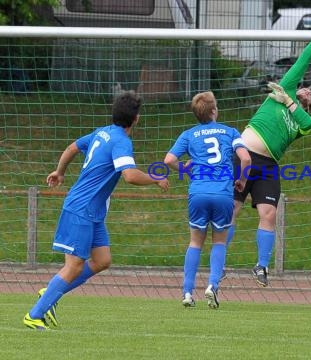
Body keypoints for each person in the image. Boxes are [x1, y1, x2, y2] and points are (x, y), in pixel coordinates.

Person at [23, 90, 170, 330]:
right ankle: (35, 314)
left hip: (92, 211)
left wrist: (60, 171)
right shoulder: (121, 141)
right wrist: (155, 178)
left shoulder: (102, 132)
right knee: (74, 266)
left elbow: (72, 148)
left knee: (102, 260)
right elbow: (130, 176)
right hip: (81, 208)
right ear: (136, 119)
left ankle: (51, 290)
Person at [223, 15, 311, 287]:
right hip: (243, 157)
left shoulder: (302, 119)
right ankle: (220, 261)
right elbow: (301, 64)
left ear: (310, 105)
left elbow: (308, 123)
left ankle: (261, 267)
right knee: (231, 210)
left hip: (268, 166)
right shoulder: (283, 90)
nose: (306, 92)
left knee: (269, 214)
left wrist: (289, 102)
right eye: (303, 90)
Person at [164, 91, 251, 309]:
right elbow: (246, 158)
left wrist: (185, 169)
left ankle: (186, 292)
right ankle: (212, 286)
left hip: (198, 193)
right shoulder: (230, 132)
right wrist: (241, 180)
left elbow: (169, 160)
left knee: (195, 242)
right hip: (222, 193)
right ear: (214, 111)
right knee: (219, 241)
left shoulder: (189, 134)